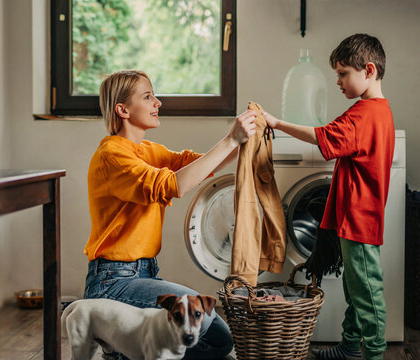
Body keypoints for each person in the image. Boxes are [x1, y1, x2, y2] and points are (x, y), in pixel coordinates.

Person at [83, 69, 256, 360]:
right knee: (205, 320)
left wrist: (245, 139)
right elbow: (174, 185)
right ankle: (123, 345)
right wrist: (230, 139)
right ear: (123, 109)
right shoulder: (112, 155)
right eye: (148, 97)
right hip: (113, 282)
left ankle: (129, 347)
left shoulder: (147, 150)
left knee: (221, 341)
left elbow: (201, 165)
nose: (158, 102)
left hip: (145, 272)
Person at [262, 34, 394, 360]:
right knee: (356, 289)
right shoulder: (379, 112)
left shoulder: (364, 114)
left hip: (358, 219)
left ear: (369, 70)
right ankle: (350, 349)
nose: (337, 81)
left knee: (367, 294)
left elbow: (322, 138)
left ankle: (374, 354)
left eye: (343, 73)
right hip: (359, 217)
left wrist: (277, 122)